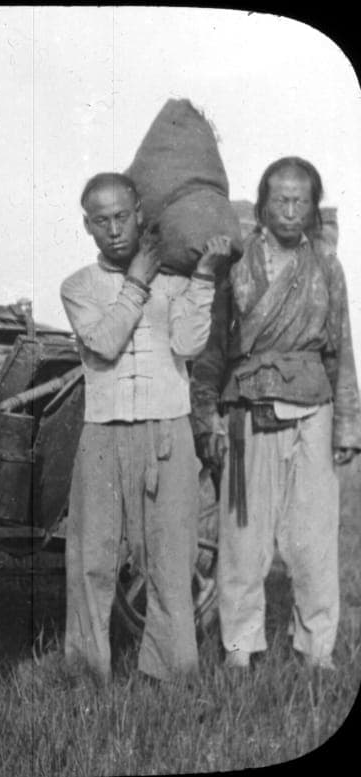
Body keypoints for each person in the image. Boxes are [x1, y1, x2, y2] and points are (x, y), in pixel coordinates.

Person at [60, 172, 232, 684]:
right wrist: (136, 283)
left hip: (167, 431)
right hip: (103, 436)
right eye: (100, 220)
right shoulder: (78, 287)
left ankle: (170, 674)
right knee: (91, 561)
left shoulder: (176, 282)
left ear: (139, 214)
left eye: (121, 216)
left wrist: (203, 277)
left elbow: (188, 346)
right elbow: (107, 342)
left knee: (171, 559)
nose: (113, 229)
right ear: (87, 226)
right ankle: (87, 675)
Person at [192, 157, 360, 672]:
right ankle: (239, 648)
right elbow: (214, 349)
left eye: (300, 201)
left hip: (312, 412)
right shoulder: (238, 267)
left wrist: (347, 423)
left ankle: (317, 650)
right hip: (248, 414)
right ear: (263, 205)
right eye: (280, 200)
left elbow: (341, 349)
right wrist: (207, 416)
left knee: (311, 543)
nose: (289, 211)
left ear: (312, 209)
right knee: (243, 543)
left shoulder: (326, 268)